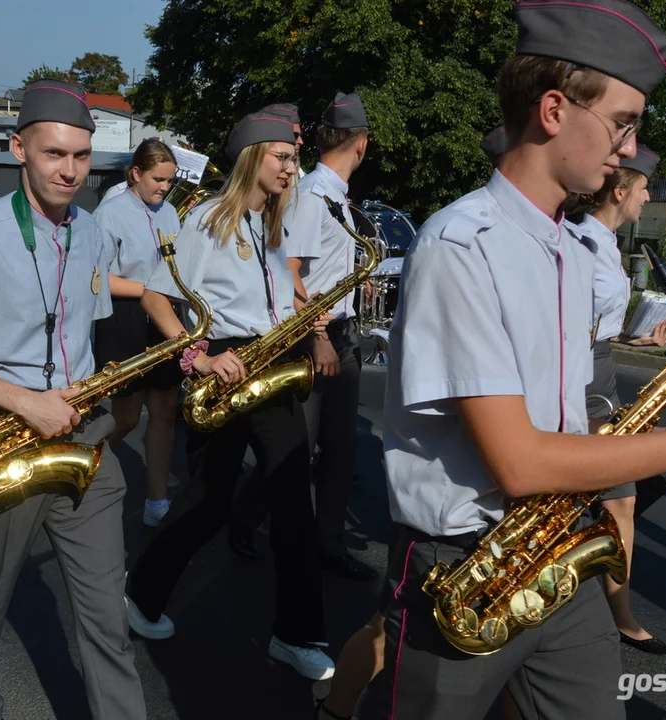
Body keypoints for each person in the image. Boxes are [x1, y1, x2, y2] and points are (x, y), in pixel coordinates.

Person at [358, 2, 666, 719]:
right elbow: (518, 462)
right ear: (554, 109)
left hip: (559, 552)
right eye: (622, 120)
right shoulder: (463, 243)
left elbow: (565, 424)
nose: (629, 146)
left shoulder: (565, 245)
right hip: (465, 562)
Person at [0, 79, 147, 719]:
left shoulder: (94, 233)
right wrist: (27, 401)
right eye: (53, 154)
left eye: (80, 156)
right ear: (19, 148)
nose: (70, 171)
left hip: (81, 437)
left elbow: (84, 332)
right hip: (2, 442)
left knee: (106, 615)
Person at [125, 108, 335, 681]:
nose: (294, 168)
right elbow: (155, 297)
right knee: (219, 498)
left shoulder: (271, 221)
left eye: (295, 159)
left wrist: (308, 322)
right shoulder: (209, 219)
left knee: (281, 498)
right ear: (252, 158)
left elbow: (268, 301)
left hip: (267, 361)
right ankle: (143, 594)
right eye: (284, 158)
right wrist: (198, 357)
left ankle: (295, 633)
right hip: (226, 362)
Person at [228, 92, 376, 581]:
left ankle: (326, 547)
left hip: (341, 329)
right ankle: (244, 521)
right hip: (317, 332)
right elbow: (287, 269)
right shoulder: (314, 196)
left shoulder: (331, 195)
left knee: (339, 450)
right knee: (298, 447)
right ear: (362, 144)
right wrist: (317, 337)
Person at [571, 144, 666, 655]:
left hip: (603, 372)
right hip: (585, 382)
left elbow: (597, 327)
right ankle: (619, 615)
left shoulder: (608, 246)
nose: (646, 200)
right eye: (642, 191)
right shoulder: (582, 245)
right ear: (620, 191)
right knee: (621, 500)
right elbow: (570, 328)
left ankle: (605, 603)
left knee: (615, 498)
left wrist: (640, 341)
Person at [92, 138, 183, 527]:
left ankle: (157, 502)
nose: (164, 187)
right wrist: (147, 290)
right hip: (125, 317)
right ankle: (86, 467)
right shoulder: (109, 214)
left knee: (164, 411)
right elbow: (96, 278)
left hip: (162, 317)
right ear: (136, 174)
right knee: (126, 418)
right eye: (158, 179)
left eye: (169, 181)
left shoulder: (171, 212)